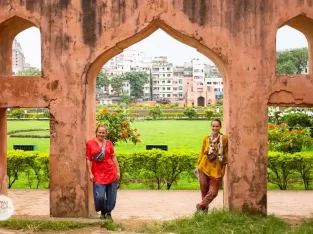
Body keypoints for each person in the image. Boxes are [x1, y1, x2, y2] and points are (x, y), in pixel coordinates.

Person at [86, 125, 120, 221]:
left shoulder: (109, 143)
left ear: (106, 133)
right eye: (99, 132)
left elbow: (113, 157)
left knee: (111, 195)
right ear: (96, 132)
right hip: (97, 173)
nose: (101, 134)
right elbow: (88, 159)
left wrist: (118, 170)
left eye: (103, 132)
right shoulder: (90, 144)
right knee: (99, 196)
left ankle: (108, 213)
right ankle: (103, 210)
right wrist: (90, 173)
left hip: (110, 172)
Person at [196, 119, 228, 212]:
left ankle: (200, 206)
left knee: (213, 192)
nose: (215, 128)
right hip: (203, 167)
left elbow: (225, 154)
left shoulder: (224, 139)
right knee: (204, 192)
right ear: (211, 127)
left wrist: (224, 168)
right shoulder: (206, 138)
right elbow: (202, 153)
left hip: (216, 170)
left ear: (220, 127)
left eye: (217, 126)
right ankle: (204, 212)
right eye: (213, 126)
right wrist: (198, 166)